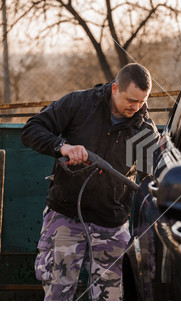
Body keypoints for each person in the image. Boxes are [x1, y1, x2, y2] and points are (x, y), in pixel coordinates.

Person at [21, 63, 160, 301]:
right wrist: (62, 147)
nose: (136, 107)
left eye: (142, 102)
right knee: (57, 296)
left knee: (110, 300)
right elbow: (32, 129)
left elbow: (151, 179)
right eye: (131, 100)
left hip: (112, 224)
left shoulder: (145, 130)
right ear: (115, 88)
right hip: (65, 215)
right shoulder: (78, 103)